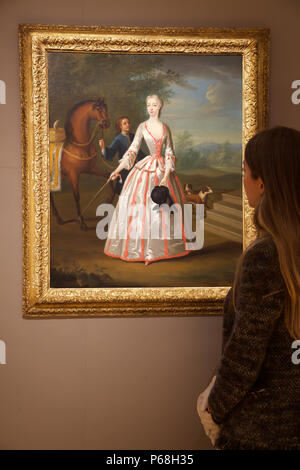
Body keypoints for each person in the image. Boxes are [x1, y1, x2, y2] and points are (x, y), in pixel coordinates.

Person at [197, 126, 300, 450]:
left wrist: (214, 407)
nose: (243, 181)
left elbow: (245, 355)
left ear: (262, 181)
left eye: (244, 171)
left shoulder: (267, 256)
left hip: (262, 433)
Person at [104, 94, 192, 265]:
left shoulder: (166, 128)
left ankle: (157, 251)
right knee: (139, 208)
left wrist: (166, 176)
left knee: (161, 208)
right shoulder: (142, 127)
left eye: (154, 105)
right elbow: (133, 150)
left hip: (162, 170)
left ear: (160, 107)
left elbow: (169, 152)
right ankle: (143, 251)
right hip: (145, 169)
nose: (151, 108)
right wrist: (116, 170)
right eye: (148, 105)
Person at [98, 116, 145, 194]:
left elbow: (139, 152)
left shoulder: (133, 136)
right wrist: (103, 147)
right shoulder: (118, 139)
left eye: (128, 123)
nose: (127, 125)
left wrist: (149, 159)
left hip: (137, 168)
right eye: (124, 123)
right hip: (125, 169)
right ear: (120, 126)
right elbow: (110, 153)